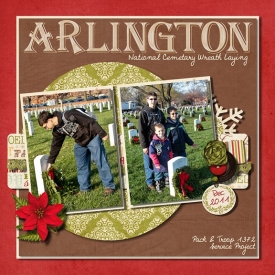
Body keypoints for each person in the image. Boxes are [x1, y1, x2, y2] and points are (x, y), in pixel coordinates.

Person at [38, 108, 115, 196]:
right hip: (80, 142)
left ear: (49, 120)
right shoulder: (57, 130)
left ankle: (109, 186)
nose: (46, 129)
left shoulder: (68, 115)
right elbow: (56, 145)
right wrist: (50, 162)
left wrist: (102, 134)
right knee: (81, 165)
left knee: (100, 161)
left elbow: (88, 121)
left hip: (92, 137)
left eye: (45, 126)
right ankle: (85, 188)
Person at [138, 91, 166, 190]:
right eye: (151, 99)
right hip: (149, 142)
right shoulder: (144, 112)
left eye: (154, 99)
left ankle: (161, 178)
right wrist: (144, 146)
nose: (153, 101)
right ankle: (150, 182)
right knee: (148, 163)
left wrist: (164, 140)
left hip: (159, 142)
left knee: (160, 160)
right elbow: (141, 130)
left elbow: (164, 127)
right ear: (147, 100)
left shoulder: (159, 112)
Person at [149, 123, 173, 192]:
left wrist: (171, 160)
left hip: (166, 162)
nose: (161, 132)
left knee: (167, 174)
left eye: (162, 130)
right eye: (159, 131)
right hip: (158, 164)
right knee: (158, 175)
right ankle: (158, 186)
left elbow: (170, 151)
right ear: (155, 132)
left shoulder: (167, 141)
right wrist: (156, 163)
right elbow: (152, 154)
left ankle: (167, 183)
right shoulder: (154, 143)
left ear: (164, 130)